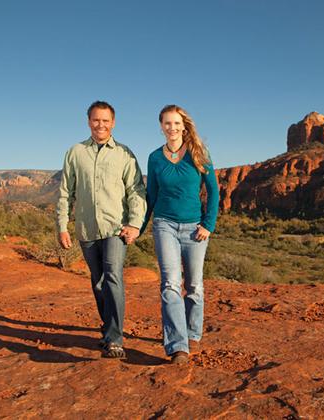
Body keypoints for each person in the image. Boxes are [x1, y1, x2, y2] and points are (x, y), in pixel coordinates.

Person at [57, 100, 146, 358]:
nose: (101, 125)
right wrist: (62, 226)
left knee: (113, 276)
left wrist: (135, 223)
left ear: (113, 123)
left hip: (115, 227)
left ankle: (116, 338)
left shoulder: (124, 153)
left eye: (105, 120)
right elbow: (65, 193)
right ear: (88, 122)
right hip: (86, 228)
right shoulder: (75, 152)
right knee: (97, 282)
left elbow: (136, 191)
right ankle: (108, 329)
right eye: (96, 120)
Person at [143, 104, 219, 364]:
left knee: (194, 286)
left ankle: (192, 332)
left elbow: (213, 192)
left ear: (184, 126)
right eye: (167, 123)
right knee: (170, 284)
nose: (172, 128)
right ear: (161, 126)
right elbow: (150, 195)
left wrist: (208, 224)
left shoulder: (199, 153)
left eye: (176, 123)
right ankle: (178, 346)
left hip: (195, 227)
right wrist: (139, 226)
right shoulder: (154, 158)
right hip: (164, 224)